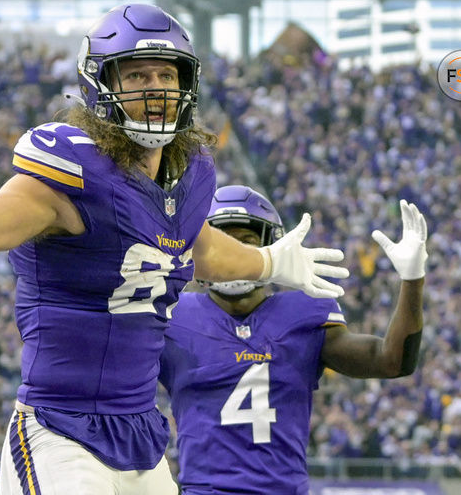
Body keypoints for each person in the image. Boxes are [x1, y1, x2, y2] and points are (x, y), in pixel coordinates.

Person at [0, 4, 349, 495]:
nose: (157, 89)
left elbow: (202, 249)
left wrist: (271, 262)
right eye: (138, 75)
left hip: (143, 436)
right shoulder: (72, 174)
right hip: (61, 430)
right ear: (101, 85)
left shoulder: (190, 177)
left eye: (168, 75)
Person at [160, 185, 428, 494]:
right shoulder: (173, 313)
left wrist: (413, 279)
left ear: (274, 246)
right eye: (226, 245)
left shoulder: (305, 311)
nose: (238, 255)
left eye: (247, 242)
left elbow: (392, 361)